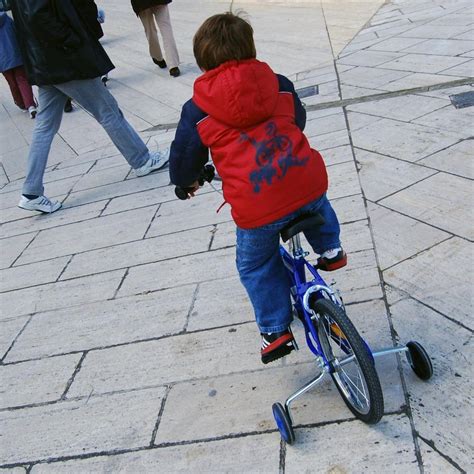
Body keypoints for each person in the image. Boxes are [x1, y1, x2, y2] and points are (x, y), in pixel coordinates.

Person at [169, 12, 347, 365]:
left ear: (203, 60)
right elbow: (298, 119)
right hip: (303, 179)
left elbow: (187, 156)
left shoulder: (198, 110)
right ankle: (331, 250)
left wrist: (186, 182)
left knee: (255, 263)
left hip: (257, 205)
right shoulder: (278, 83)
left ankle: (275, 329)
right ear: (250, 48)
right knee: (312, 194)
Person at [11, 0, 169, 214]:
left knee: (45, 125)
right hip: (64, 60)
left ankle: (31, 191)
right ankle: (142, 160)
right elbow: (40, 17)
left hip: (45, 62)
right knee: (107, 110)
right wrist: (72, 40)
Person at [0, 12, 37, 118]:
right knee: (22, 79)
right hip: (15, 54)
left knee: (12, 83)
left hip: (2, 60)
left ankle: (21, 104)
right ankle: (30, 106)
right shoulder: (6, 18)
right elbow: (17, 33)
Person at [131, 0, 180, 77]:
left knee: (150, 30)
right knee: (166, 29)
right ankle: (173, 65)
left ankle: (158, 57)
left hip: (141, 3)